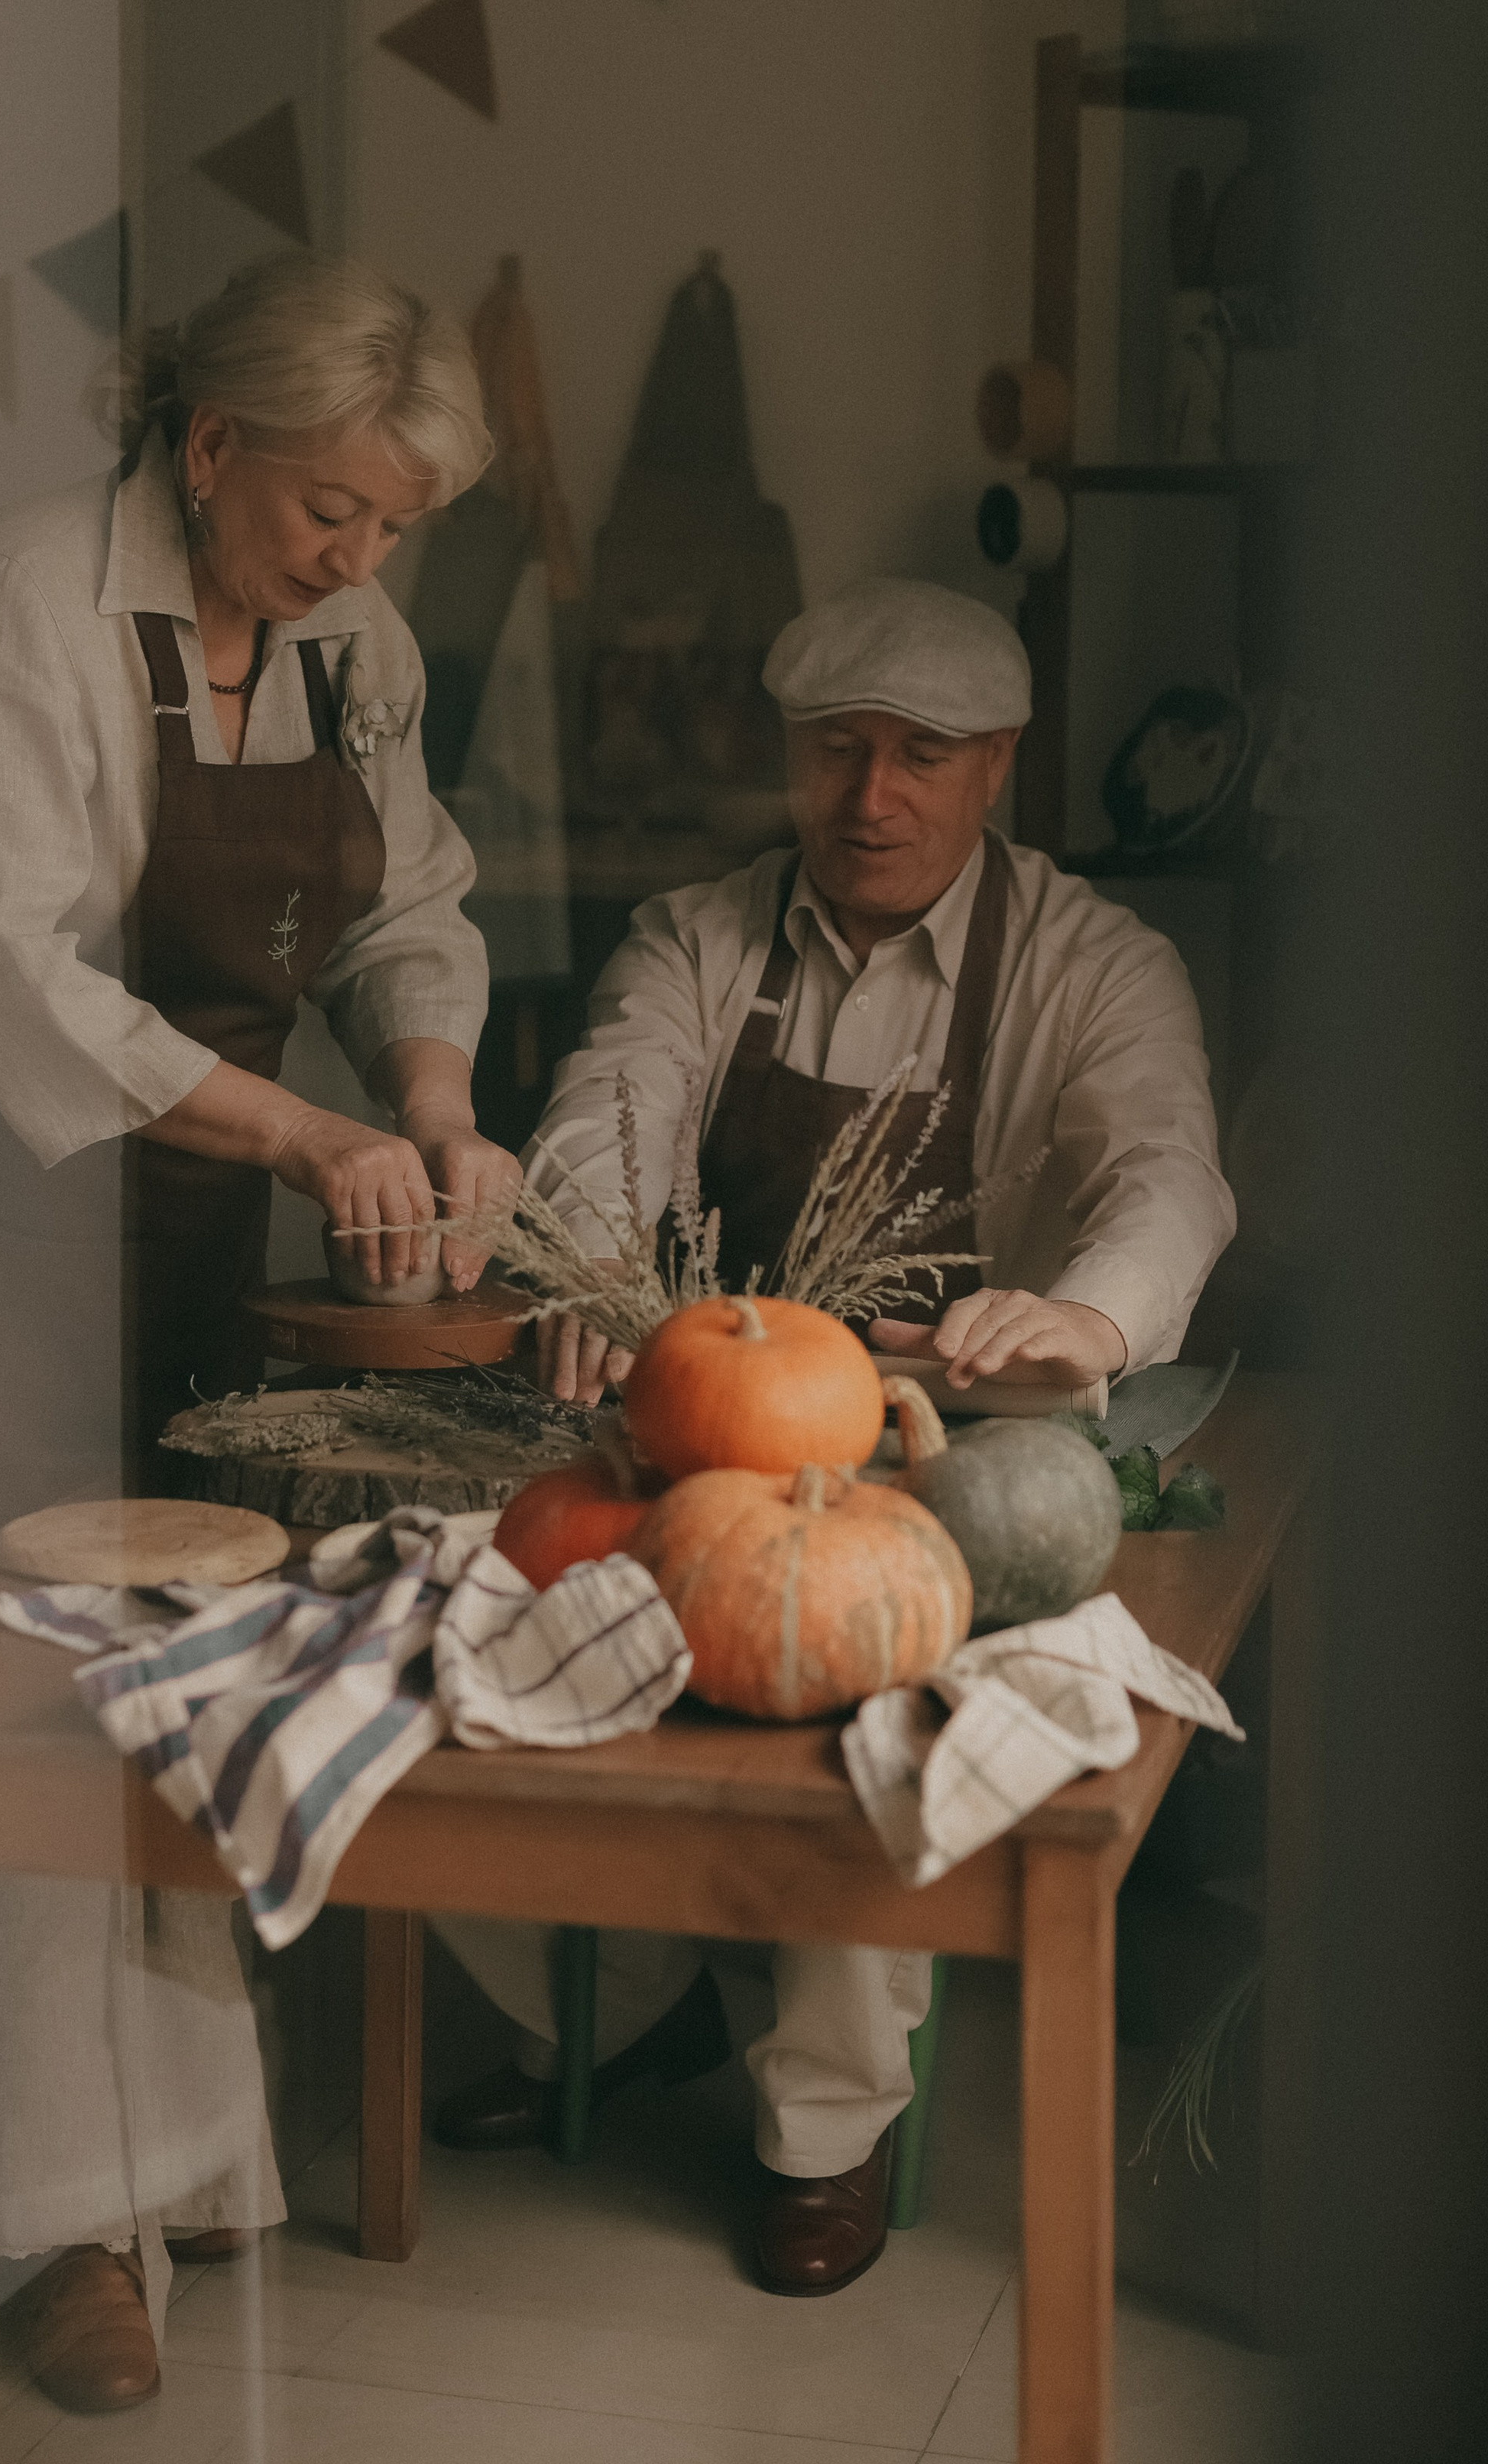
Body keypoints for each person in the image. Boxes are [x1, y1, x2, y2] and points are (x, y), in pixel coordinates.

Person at [0, 253, 520, 2411]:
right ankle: (41, 2218)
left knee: (219, 1623)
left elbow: (411, 903)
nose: (362, 559)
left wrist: (426, 1096)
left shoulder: (349, 644)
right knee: (39, 1654)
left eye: (397, 527)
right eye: (333, 511)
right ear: (211, 445)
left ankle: (191, 2160)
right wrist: (310, 1129)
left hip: (213, 1178)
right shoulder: (18, 600)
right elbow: (13, 974)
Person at [433, 577, 1235, 2297]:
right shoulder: (694, 936)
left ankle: (824, 2126)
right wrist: (597, 1267)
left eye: (920, 756)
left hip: (925, 1458)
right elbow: (606, 1108)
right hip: (690, 1422)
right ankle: (625, 2004)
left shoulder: (1099, 965)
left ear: (998, 765)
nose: (869, 797)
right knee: (451, 1629)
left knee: (867, 1707)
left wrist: (1083, 1318)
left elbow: (1167, 1177)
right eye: (833, 751)